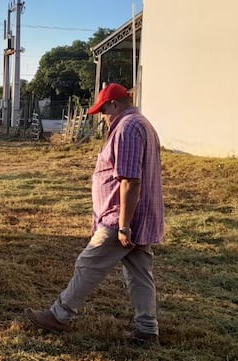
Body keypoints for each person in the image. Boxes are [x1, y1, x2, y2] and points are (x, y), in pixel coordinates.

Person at [24, 83, 165, 346]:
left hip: (121, 218)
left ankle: (59, 315)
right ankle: (147, 330)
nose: (102, 116)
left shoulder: (127, 128)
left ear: (114, 104)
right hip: (137, 217)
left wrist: (123, 226)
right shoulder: (141, 123)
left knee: (88, 264)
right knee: (140, 274)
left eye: (103, 110)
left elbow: (130, 181)